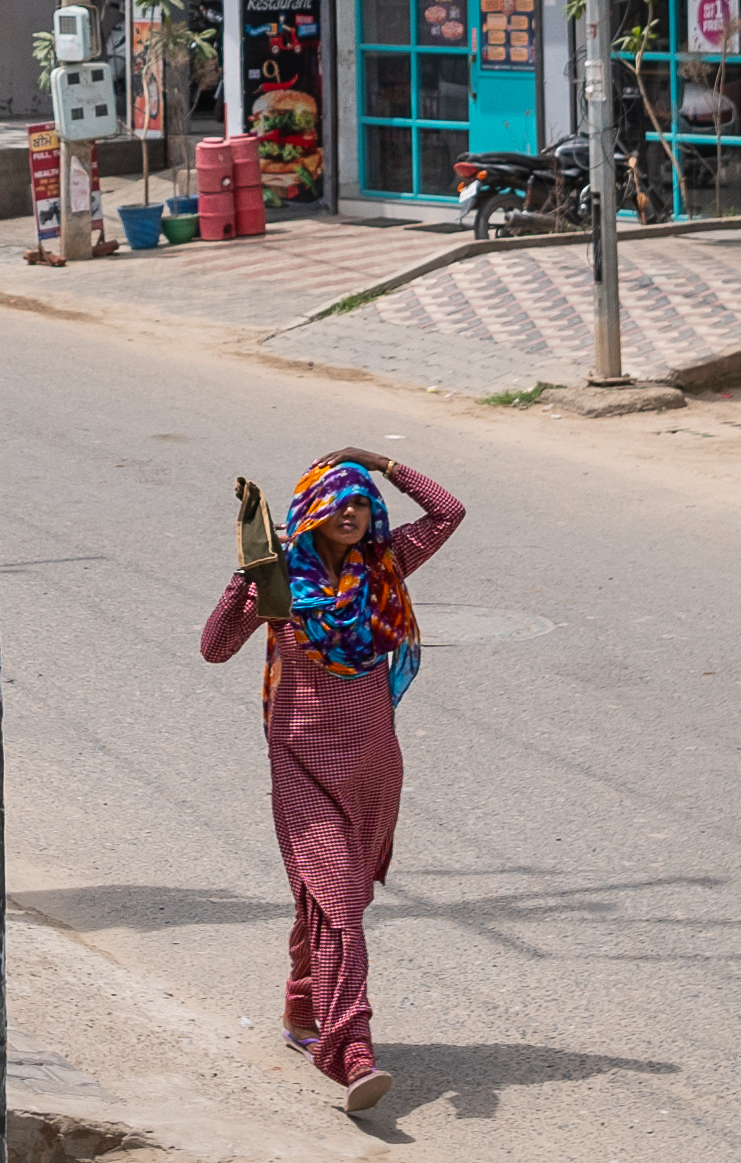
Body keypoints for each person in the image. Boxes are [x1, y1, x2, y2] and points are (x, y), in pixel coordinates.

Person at [201, 448, 468, 1114]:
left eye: (358, 502)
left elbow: (448, 510)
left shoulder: (385, 565)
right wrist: (245, 579)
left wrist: (376, 461)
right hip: (301, 765)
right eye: (337, 501)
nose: (349, 512)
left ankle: (301, 1005)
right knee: (338, 905)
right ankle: (351, 1052)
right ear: (310, 510)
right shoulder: (279, 582)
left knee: (327, 902)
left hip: (374, 763)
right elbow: (214, 646)